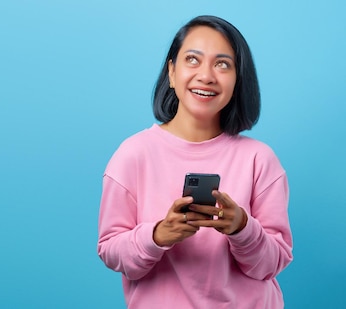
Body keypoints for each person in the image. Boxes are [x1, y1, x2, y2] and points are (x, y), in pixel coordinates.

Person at [97, 15, 293, 308]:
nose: (207, 75)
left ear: (238, 80)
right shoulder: (132, 155)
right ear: (172, 72)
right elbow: (111, 250)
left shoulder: (260, 159)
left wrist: (242, 228)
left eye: (223, 64)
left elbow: (271, 264)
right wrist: (157, 236)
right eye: (193, 59)